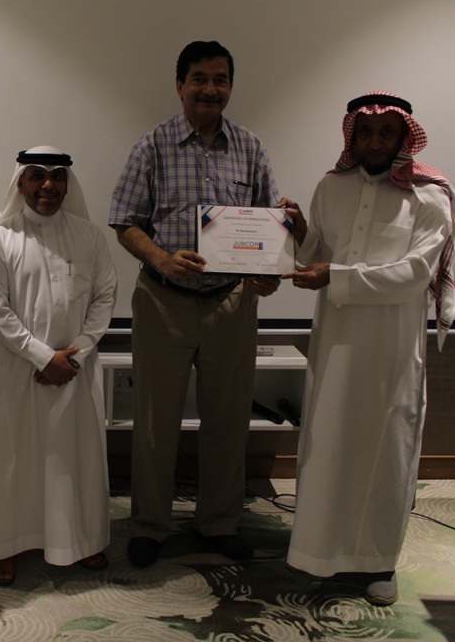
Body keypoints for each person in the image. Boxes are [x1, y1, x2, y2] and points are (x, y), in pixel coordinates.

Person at [109, 41, 291, 567]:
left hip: (230, 303)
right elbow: (124, 222)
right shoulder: (152, 146)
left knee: (228, 422)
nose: (210, 89)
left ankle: (219, 523)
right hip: (162, 300)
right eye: (199, 79)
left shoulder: (250, 147)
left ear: (230, 85)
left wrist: (267, 272)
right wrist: (163, 260)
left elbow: (268, 225)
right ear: (180, 85)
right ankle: (149, 525)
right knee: (155, 422)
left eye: (220, 79)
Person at [282, 91, 455, 606]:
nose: (375, 142)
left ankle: (380, 561)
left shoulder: (429, 196)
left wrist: (334, 275)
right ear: (352, 136)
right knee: (329, 445)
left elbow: (415, 274)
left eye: (386, 132)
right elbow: (319, 253)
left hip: (391, 352)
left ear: (403, 136)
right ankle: (320, 552)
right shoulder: (330, 187)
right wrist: (299, 231)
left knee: (385, 452)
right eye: (365, 132)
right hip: (335, 345)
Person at [0, 146, 117, 586]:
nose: (48, 185)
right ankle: (5, 545)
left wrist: (75, 354)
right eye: (37, 175)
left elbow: (105, 297)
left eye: (57, 177)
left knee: (75, 457)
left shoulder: (90, 236)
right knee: (12, 458)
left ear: (68, 184)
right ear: (20, 183)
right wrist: (42, 357)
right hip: (17, 371)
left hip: (76, 370)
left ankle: (82, 539)